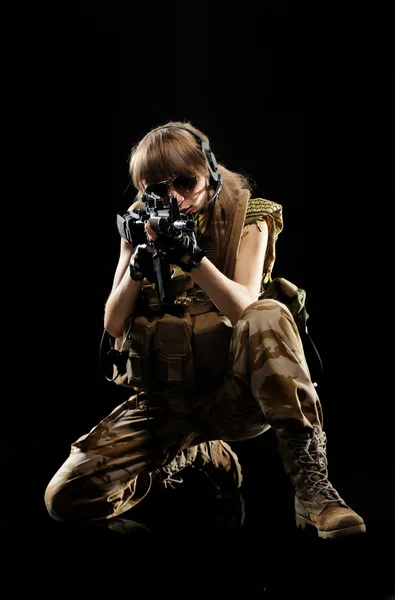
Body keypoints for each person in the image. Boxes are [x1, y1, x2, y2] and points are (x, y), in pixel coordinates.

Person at [44, 120, 365, 540]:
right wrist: (137, 268)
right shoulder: (140, 223)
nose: (172, 195)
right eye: (156, 187)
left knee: (267, 313)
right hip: (167, 400)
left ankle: (314, 491)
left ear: (210, 170)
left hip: (236, 394)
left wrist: (193, 258)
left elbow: (245, 305)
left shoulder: (251, 217)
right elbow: (113, 324)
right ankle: (192, 452)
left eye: (184, 180)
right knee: (66, 499)